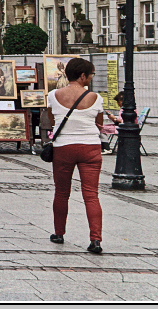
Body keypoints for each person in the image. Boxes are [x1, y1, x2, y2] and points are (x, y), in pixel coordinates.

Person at [46, 57, 107, 254]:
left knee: (62, 192)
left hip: (63, 148)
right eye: (90, 75)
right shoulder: (96, 98)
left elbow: (50, 119)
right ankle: (95, 239)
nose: (91, 78)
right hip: (90, 148)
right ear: (82, 76)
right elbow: (99, 123)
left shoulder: (54, 95)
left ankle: (59, 233)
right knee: (91, 194)